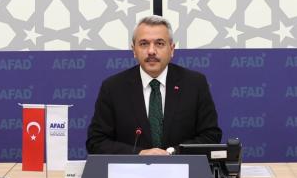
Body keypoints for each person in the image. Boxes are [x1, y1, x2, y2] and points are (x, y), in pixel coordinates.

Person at [86, 16, 222, 155]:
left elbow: (211, 136)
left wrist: (173, 153)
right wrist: (139, 154)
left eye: (159, 43)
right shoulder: (113, 87)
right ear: (134, 50)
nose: (151, 51)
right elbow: (96, 142)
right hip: (131, 168)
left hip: (181, 167)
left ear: (172, 49)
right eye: (144, 44)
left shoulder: (195, 84)